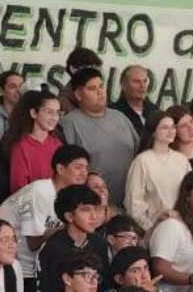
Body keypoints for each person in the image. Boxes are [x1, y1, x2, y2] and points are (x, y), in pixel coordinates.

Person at [0, 145, 90, 292]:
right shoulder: (40, 191)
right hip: (19, 267)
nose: (84, 173)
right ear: (60, 169)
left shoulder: (71, 196)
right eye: (78, 167)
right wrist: (68, 227)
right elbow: (33, 243)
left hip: (41, 265)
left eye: (86, 168)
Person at [59, 68, 138, 207]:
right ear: (78, 94)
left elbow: (139, 154)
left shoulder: (120, 117)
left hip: (129, 204)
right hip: (91, 207)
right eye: (92, 88)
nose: (100, 92)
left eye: (101, 86)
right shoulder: (69, 124)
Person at [124, 111, 191, 231]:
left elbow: (191, 193)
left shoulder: (182, 160)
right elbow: (134, 202)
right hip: (154, 228)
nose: (171, 131)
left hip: (182, 226)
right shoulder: (142, 161)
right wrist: (150, 228)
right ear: (154, 132)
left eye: (173, 127)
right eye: (165, 128)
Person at [38, 185, 107, 292]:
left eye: (95, 208)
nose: (94, 216)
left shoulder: (99, 243)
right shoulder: (53, 248)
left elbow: (104, 285)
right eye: (86, 210)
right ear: (69, 216)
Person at [5, 89, 63, 193]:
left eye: (58, 113)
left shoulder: (57, 143)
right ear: (33, 113)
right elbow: (19, 190)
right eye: (49, 112)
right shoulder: (21, 147)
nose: (54, 118)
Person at [110, 65, 158, 137]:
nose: (142, 86)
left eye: (145, 81)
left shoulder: (155, 111)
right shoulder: (113, 113)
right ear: (123, 86)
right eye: (137, 81)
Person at [0, 70, 24, 143]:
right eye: (13, 87)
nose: (19, 91)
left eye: (21, 86)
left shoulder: (29, 114)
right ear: (1, 90)